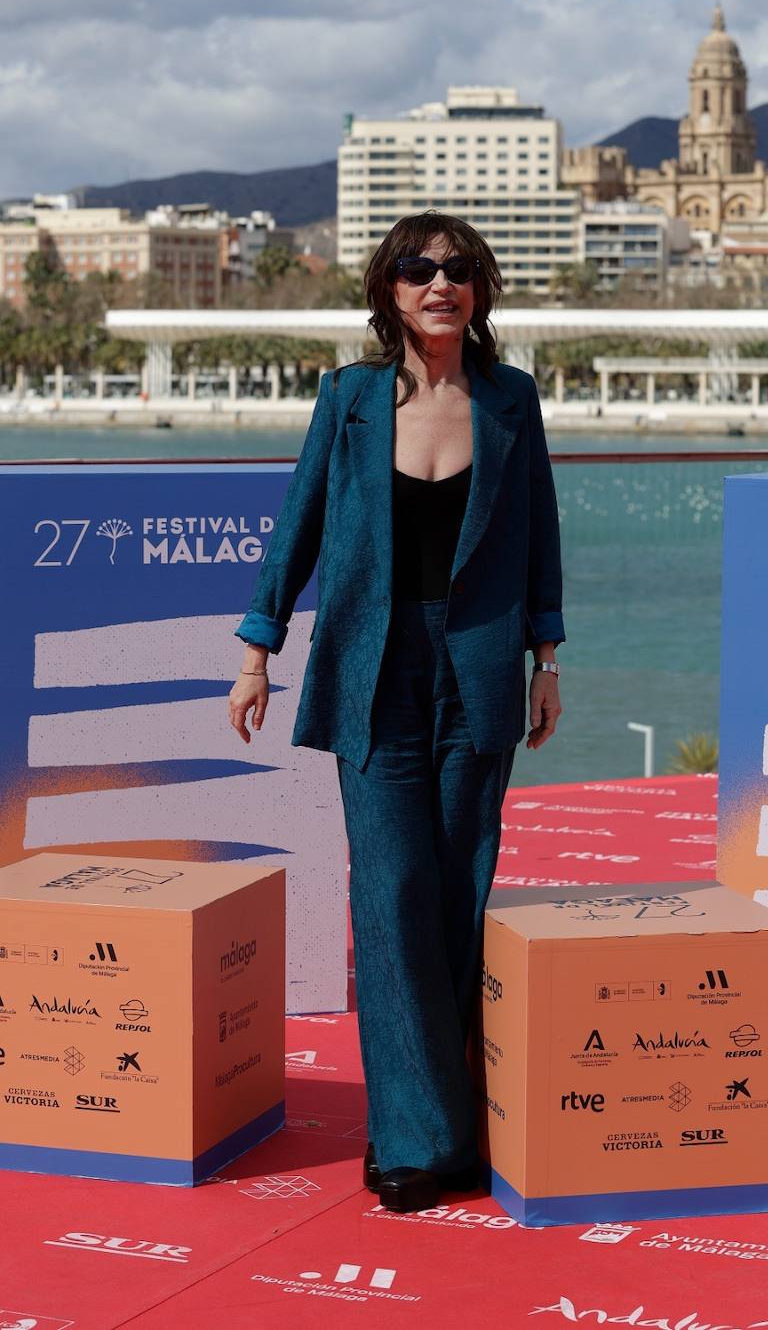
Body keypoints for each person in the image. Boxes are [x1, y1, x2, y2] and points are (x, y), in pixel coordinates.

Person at [229, 211, 564, 1213]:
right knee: (392, 890)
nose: (439, 283)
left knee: (460, 887)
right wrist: (258, 648)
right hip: (373, 662)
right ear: (389, 289)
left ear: (479, 290)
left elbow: (540, 527)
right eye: (419, 269)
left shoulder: (511, 400)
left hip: (481, 665)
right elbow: (302, 522)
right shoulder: (350, 399)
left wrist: (548, 654)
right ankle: (420, 1141)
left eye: (458, 271)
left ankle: (444, 1119)